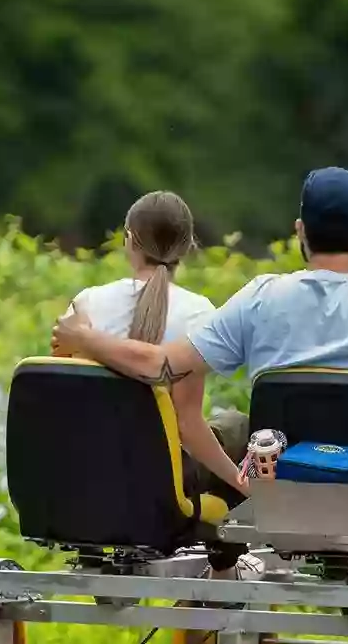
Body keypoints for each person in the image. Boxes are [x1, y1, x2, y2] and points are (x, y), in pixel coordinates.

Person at [54, 167, 348, 579]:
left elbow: (160, 366)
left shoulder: (260, 297)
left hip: (283, 494)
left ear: (299, 231)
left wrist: (87, 339)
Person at [58, 192, 249, 506]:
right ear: (188, 246)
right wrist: (243, 484)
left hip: (89, 470)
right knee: (237, 427)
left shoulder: (85, 305)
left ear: (128, 240)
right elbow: (187, 426)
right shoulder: (199, 313)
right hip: (161, 479)